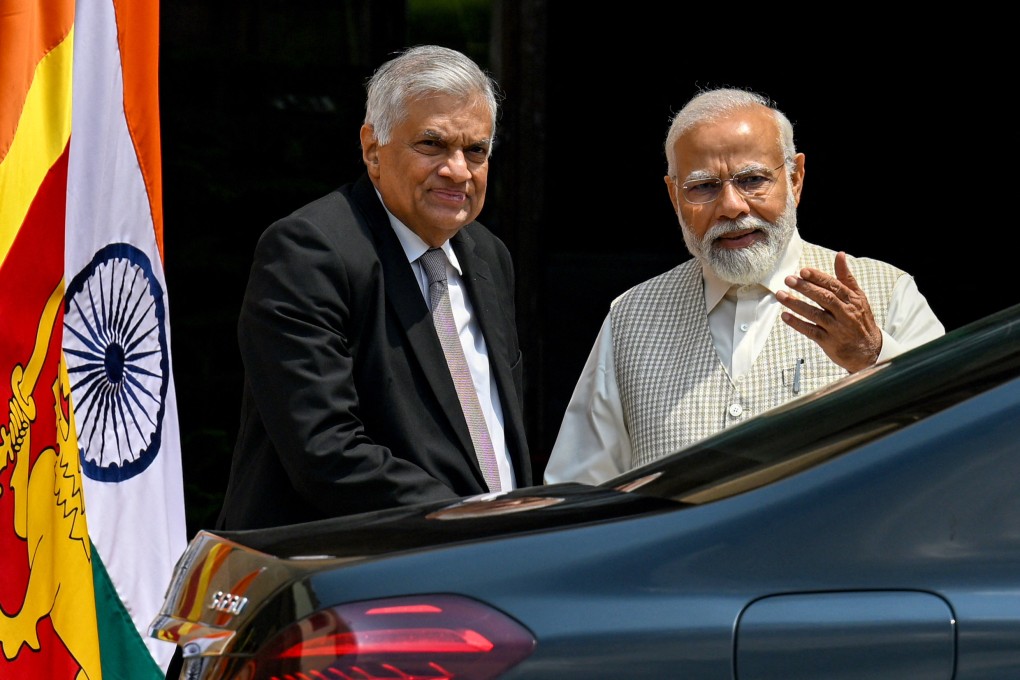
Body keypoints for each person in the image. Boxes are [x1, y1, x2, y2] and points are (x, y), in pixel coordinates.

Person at [544, 87, 944, 486]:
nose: (732, 206)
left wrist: (873, 357)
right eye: (703, 187)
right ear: (673, 195)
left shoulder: (887, 293)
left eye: (752, 180)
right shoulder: (632, 317)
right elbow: (578, 491)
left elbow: (953, 447)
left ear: (796, 178)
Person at [215, 44, 532, 531]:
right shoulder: (309, 252)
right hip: (346, 574)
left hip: (486, 563)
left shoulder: (489, 255)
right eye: (432, 145)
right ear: (372, 148)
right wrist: (468, 519)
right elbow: (325, 451)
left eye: (476, 150)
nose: (458, 171)